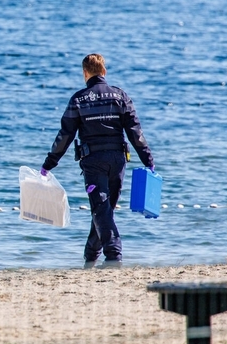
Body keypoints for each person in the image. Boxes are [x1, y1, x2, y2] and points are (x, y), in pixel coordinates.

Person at [41, 54, 154, 266]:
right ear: (104, 72)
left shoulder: (78, 99)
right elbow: (135, 132)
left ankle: (113, 255)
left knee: (101, 207)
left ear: (85, 73)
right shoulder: (120, 96)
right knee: (105, 208)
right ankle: (91, 255)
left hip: (93, 161)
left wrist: (49, 163)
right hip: (118, 160)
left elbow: (65, 136)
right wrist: (148, 159)